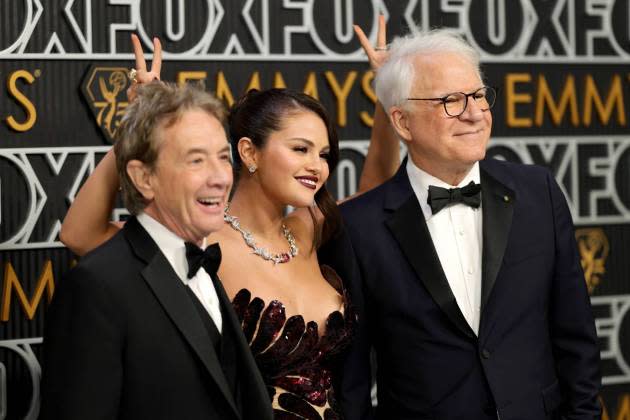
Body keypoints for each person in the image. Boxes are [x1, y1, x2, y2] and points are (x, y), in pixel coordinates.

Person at [57, 22, 395, 418]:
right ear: (249, 153)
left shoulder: (309, 228)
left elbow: (376, 191)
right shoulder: (198, 239)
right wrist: (141, 123)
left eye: (323, 154)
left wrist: (386, 92)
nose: (317, 166)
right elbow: (80, 234)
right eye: (301, 149)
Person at [319, 28, 602, 419]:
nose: (474, 113)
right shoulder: (359, 227)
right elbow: (350, 381)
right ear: (402, 122)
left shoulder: (539, 193)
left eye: (479, 95)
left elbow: (577, 339)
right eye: (451, 101)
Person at [42, 82, 273, 419]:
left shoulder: (204, 264)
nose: (220, 178)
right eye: (196, 160)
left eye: (223, 158)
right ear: (143, 177)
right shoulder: (96, 288)